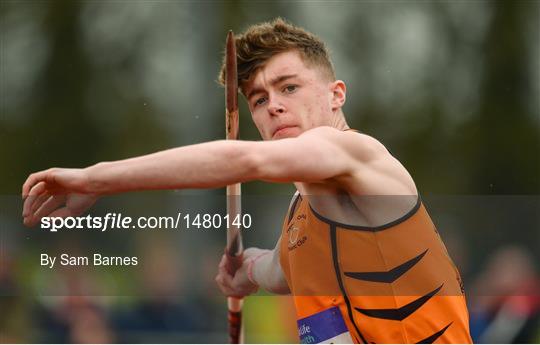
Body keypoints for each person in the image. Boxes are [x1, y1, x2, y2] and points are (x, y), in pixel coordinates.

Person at [22, 18, 472, 344]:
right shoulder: (300, 221)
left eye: (289, 88)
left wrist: (96, 179)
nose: (272, 106)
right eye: (258, 98)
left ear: (336, 95)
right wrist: (246, 270)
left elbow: (243, 159)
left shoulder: (357, 153)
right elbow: (276, 270)